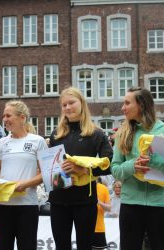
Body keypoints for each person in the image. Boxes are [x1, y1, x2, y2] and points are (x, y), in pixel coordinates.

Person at [111, 87, 164, 250]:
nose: (122, 108)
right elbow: (115, 169)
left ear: (141, 105)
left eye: (127, 103)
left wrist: (156, 162)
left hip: (159, 205)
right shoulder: (123, 133)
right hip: (130, 204)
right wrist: (133, 165)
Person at [48, 87, 113, 250]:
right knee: (61, 247)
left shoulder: (96, 133)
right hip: (58, 200)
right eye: (64, 105)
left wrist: (84, 170)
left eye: (71, 103)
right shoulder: (56, 134)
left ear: (82, 103)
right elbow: (52, 168)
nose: (68, 107)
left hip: (85, 200)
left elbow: (110, 164)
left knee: (85, 246)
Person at [0, 100, 48, 250]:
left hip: (27, 206)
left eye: (8, 115)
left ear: (22, 118)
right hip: (3, 206)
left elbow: (46, 173)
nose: (4, 119)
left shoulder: (38, 141)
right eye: (4, 116)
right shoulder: (1, 143)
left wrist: (25, 184)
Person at [93, 177, 111, 250]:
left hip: (99, 228)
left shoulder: (103, 188)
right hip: (84, 228)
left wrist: (100, 202)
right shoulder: (82, 188)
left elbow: (109, 208)